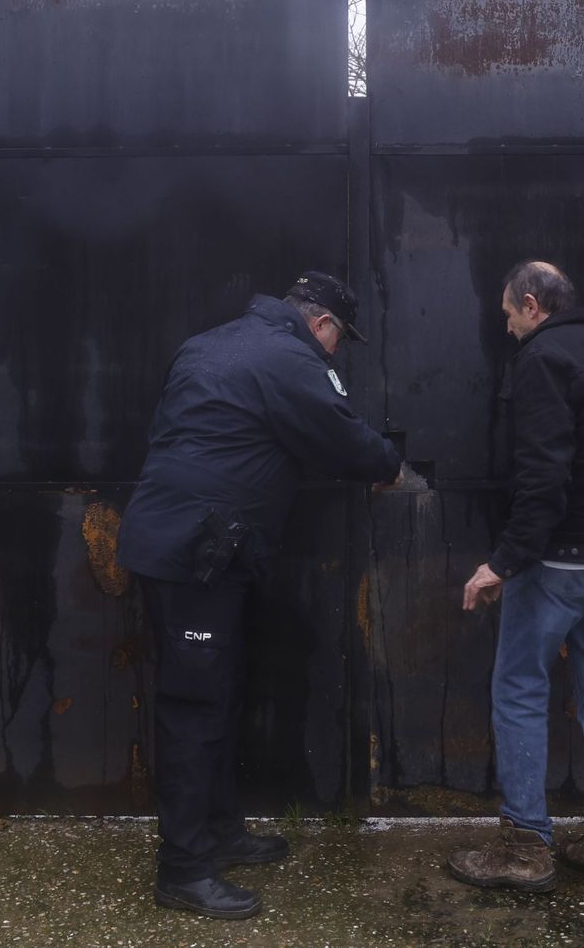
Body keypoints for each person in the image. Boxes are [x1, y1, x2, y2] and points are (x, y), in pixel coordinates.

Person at [116, 270, 401, 920]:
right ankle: (184, 870)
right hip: (196, 554)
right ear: (321, 324)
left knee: (217, 694)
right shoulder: (288, 358)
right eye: (339, 339)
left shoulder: (209, 343)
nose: (336, 351)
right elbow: (340, 436)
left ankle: (218, 832)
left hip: (201, 548)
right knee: (194, 708)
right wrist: (391, 464)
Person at [449, 260, 584, 894]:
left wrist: (503, 561)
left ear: (533, 305)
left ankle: (525, 848)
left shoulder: (542, 358)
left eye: (509, 314)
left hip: (562, 560)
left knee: (519, 687)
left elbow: (542, 475)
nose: (508, 327)